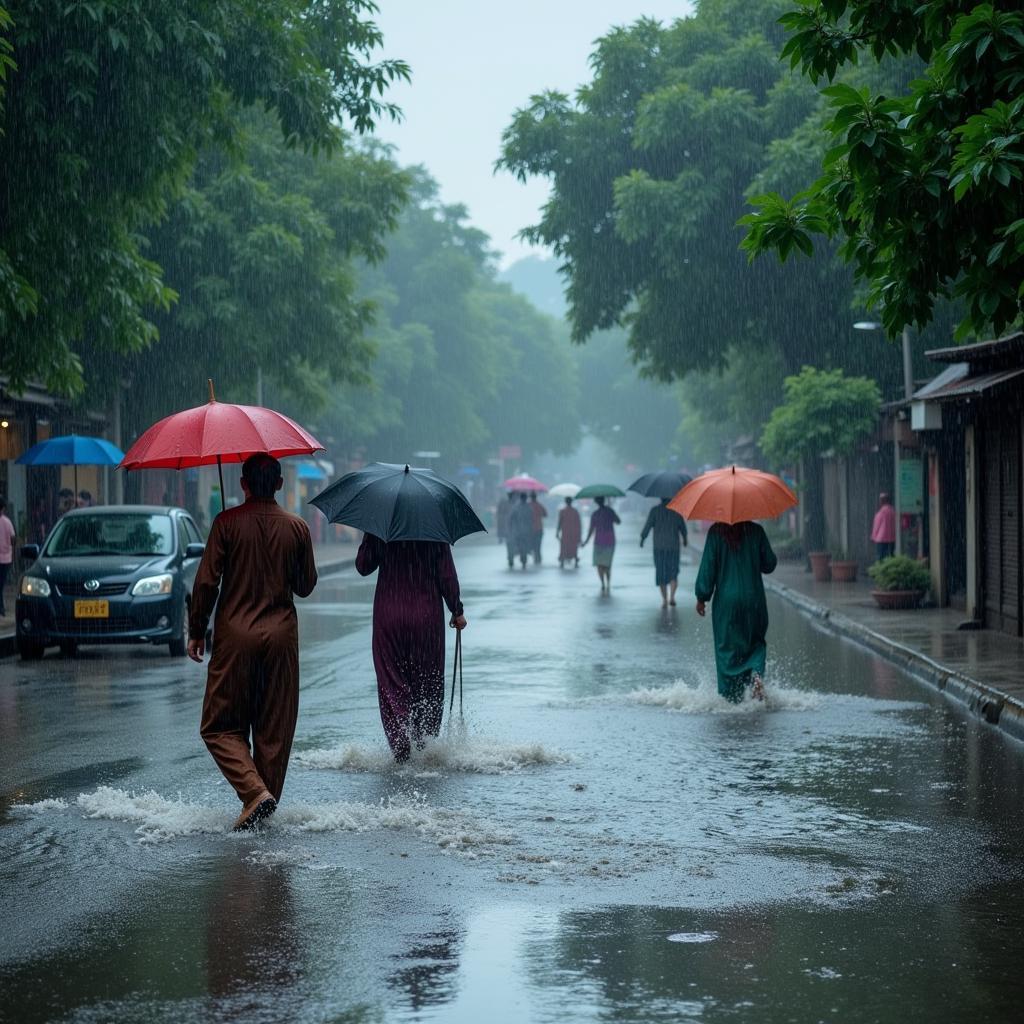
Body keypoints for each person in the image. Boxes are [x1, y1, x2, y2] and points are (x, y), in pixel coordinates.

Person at [188, 454, 317, 832]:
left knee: (219, 725)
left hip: (235, 637)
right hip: (280, 638)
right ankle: (262, 799)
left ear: (243, 484)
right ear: (279, 484)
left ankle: (253, 794)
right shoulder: (297, 528)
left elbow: (207, 583)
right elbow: (305, 586)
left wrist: (196, 629)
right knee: (273, 727)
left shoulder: (225, 524)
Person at [356, 534, 466, 762]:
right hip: (426, 618)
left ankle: (401, 744)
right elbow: (447, 574)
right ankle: (426, 745)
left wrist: (370, 536)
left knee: (391, 679)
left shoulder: (382, 527)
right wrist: (457, 610)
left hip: (390, 615)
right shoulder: (434, 529)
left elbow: (363, 566)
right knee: (428, 681)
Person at [695, 520, 777, 703]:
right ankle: (756, 675)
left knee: (727, 649)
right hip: (753, 599)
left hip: (726, 603)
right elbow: (770, 564)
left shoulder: (716, 533)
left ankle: (731, 700)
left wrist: (702, 597)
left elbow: (708, 569)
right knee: (755, 643)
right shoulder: (756, 531)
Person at [640, 498, 688, 606]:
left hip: (659, 548)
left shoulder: (655, 511)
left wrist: (642, 539)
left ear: (660, 498)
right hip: (673, 547)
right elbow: (683, 528)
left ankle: (665, 600)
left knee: (661, 573)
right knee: (673, 572)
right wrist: (685, 539)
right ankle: (672, 597)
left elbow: (647, 526)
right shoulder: (677, 511)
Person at [581, 496, 621, 593]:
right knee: (607, 564)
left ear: (596, 502)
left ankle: (603, 583)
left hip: (598, 542)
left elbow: (591, 530)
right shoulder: (610, 511)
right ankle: (608, 583)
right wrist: (611, 511)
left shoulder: (595, 514)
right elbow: (618, 522)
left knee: (599, 564)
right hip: (610, 541)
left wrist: (586, 542)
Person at [507, 493, 533, 569]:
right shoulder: (528, 508)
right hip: (522, 531)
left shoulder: (516, 507)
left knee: (517, 546)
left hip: (518, 531)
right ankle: (522, 560)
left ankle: (519, 560)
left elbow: (510, 519)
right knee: (521, 547)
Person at [556, 496, 581, 568]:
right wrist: (579, 535)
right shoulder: (575, 511)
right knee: (573, 547)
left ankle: (562, 562)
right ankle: (576, 560)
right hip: (573, 533)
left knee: (564, 547)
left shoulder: (562, 511)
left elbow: (559, 523)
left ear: (566, 502)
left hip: (565, 533)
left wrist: (557, 532)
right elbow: (578, 524)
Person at [0, 496, 15, 618]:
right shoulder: (7, 522)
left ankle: (1, 608)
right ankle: (1, 608)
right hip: (6, 559)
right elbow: (13, 538)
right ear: (3, 508)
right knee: (1, 583)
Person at [871, 492, 896, 561]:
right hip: (892, 538)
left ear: (882, 501)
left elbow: (876, 526)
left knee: (880, 557)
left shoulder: (880, 513)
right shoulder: (893, 512)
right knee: (891, 555)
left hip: (881, 538)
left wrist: (873, 537)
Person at [529, 492, 547, 564]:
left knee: (533, 544)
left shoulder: (528, 505)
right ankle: (538, 557)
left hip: (530, 529)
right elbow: (545, 514)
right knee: (538, 545)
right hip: (539, 528)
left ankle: (535, 556)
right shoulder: (539, 506)